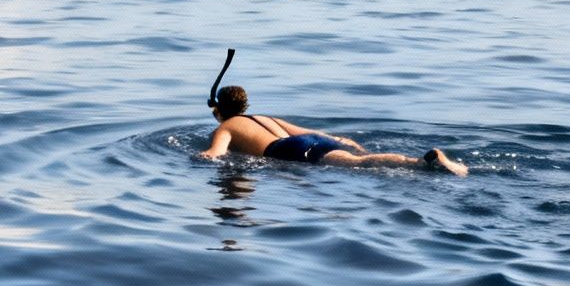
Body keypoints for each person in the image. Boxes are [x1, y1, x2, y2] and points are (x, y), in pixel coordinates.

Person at [199, 86, 467, 176]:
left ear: (219, 110)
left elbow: (215, 154)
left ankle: (423, 162)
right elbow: (309, 131)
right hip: (308, 141)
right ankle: (418, 163)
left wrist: (200, 158)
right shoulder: (263, 118)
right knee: (357, 160)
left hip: (289, 150)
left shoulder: (227, 126)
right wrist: (340, 139)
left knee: (359, 165)